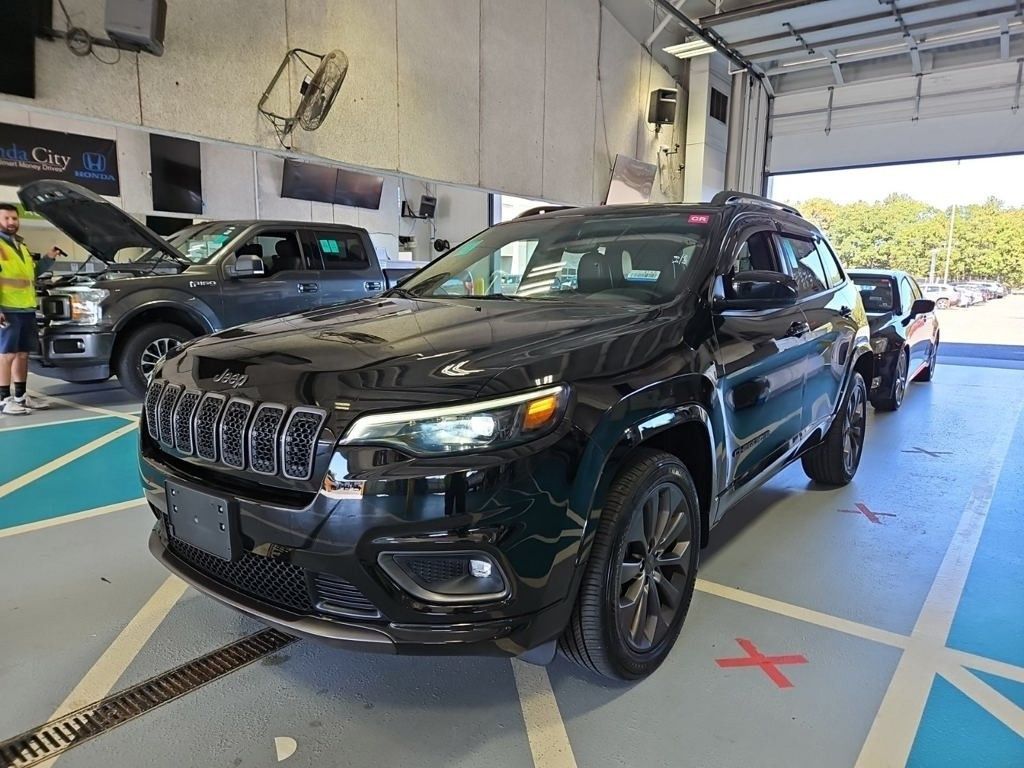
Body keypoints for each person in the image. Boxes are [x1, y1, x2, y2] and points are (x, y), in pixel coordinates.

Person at [0, 203, 57, 415]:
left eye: (14, 218)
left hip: (25, 309)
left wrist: (48, 259)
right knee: (6, 355)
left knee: (22, 354)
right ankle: (3, 399)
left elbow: (31, 274)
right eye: (6, 218)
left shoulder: (20, 246)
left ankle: (21, 397)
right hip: (7, 309)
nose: (11, 222)